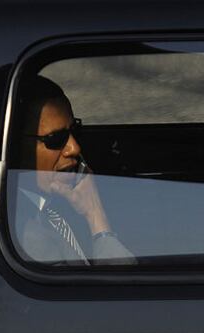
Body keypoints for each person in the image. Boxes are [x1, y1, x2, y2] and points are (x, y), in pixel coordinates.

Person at [9, 75, 136, 265]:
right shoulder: (30, 239)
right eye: (55, 139)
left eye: (74, 131)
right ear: (14, 147)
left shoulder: (55, 206)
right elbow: (121, 288)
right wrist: (96, 218)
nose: (74, 148)